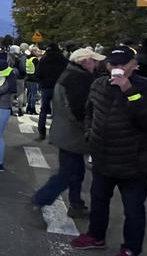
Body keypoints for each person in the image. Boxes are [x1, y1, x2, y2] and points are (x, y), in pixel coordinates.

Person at [71, 46, 147, 256]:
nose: (117, 68)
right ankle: (96, 235)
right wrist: (89, 134)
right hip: (103, 158)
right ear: (107, 65)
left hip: (133, 161)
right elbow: (89, 112)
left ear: (134, 65)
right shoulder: (98, 85)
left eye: (122, 64)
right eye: (113, 64)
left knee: (133, 209)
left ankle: (131, 251)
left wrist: (129, 90)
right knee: (99, 200)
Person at [32, 48, 105, 217]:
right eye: (94, 60)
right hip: (72, 135)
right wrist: (88, 129)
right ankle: (40, 199)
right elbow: (77, 110)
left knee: (75, 171)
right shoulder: (78, 79)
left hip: (65, 132)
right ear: (85, 61)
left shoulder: (70, 74)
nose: (96, 63)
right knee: (68, 173)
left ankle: (76, 204)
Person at [34, 42, 68, 141]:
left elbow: (38, 74)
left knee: (43, 110)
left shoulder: (44, 60)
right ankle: (55, 135)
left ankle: (42, 132)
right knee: (58, 111)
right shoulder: (62, 60)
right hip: (59, 86)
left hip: (46, 87)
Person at [25, 47, 40, 115]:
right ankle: (32, 109)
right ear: (34, 52)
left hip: (28, 78)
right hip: (34, 79)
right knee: (34, 94)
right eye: (37, 51)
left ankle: (28, 108)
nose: (39, 52)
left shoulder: (28, 59)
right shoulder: (35, 59)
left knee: (30, 94)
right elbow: (38, 69)